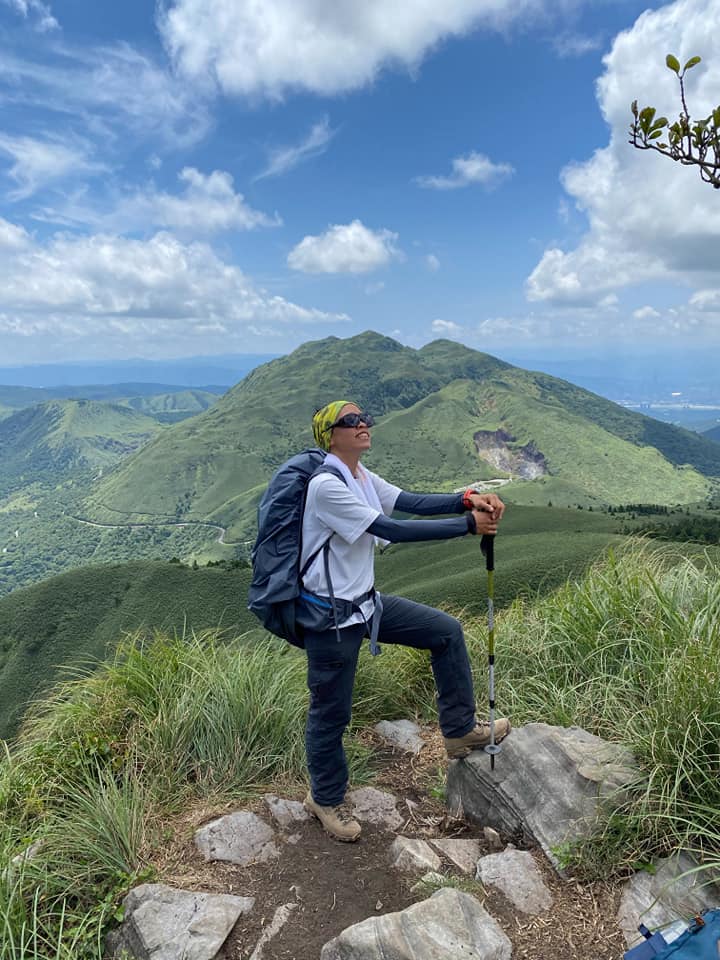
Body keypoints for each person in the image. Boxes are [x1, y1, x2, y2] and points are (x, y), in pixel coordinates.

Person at [300, 400, 511, 842]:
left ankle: (459, 731)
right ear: (330, 436)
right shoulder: (326, 486)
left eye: (364, 418)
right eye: (351, 421)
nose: (363, 424)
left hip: (365, 603)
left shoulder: (359, 475)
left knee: (445, 632)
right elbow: (391, 528)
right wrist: (467, 525)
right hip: (331, 617)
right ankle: (324, 798)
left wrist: (466, 498)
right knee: (331, 712)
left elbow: (409, 502)